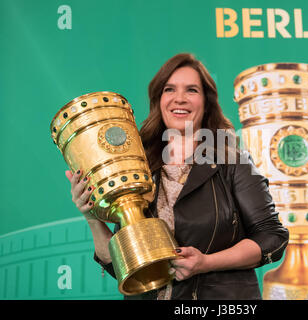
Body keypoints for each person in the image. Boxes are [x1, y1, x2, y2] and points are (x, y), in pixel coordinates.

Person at [65, 53, 289, 300]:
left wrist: (207, 262)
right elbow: (122, 266)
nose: (179, 98)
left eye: (191, 90)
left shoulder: (233, 162)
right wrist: (91, 215)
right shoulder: (138, 165)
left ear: (207, 102)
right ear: (159, 99)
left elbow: (272, 237)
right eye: (169, 89)